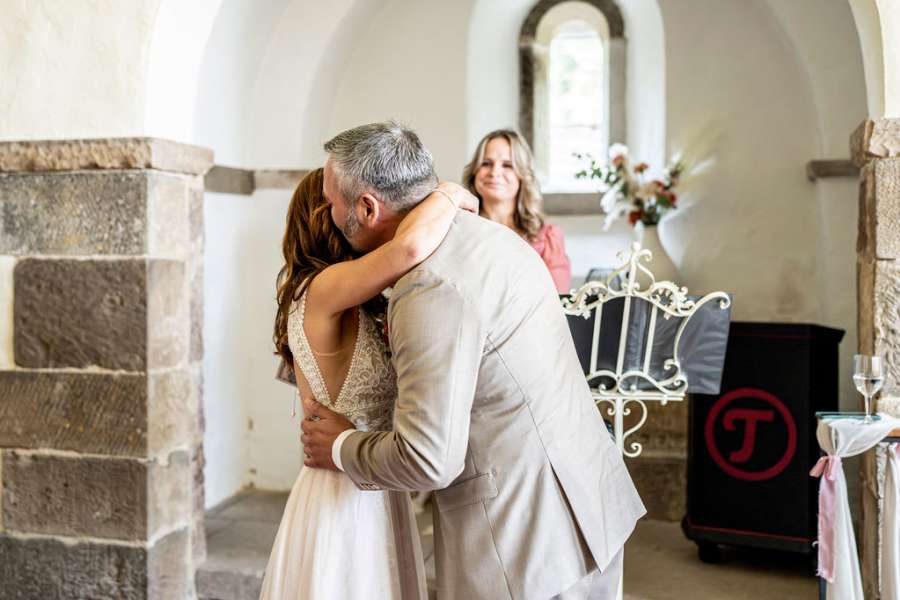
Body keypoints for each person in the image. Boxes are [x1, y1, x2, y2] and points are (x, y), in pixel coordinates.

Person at [301, 121, 645, 600]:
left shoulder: (429, 285)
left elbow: (427, 460)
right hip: (588, 504)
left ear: (367, 207)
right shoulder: (493, 238)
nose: (329, 212)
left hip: (525, 542)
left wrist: (341, 445)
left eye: (332, 200)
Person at [261, 167, 476, 600]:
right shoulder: (322, 288)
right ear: (325, 216)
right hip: (345, 492)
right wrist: (449, 193)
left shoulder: (347, 295)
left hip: (371, 478)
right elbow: (409, 247)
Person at [462, 128, 572, 293]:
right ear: (474, 172)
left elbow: (558, 300)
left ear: (523, 175)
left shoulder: (548, 239)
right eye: (486, 163)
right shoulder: (458, 230)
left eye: (507, 165)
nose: (494, 172)